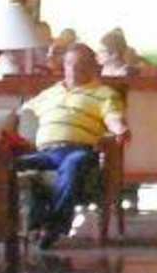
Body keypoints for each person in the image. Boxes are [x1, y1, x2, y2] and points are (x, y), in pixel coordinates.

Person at [12, 42, 126, 248]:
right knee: (10, 165)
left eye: (81, 64)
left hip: (79, 150)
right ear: (63, 66)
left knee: (72, 164)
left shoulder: (104, 93)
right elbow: (22, 113)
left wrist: (120, 129)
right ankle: (23, 226)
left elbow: (113, 118)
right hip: (46, 153)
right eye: (70, 64)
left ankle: (54, 227)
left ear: (92, 67)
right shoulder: (50, 93)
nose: (74, 69)